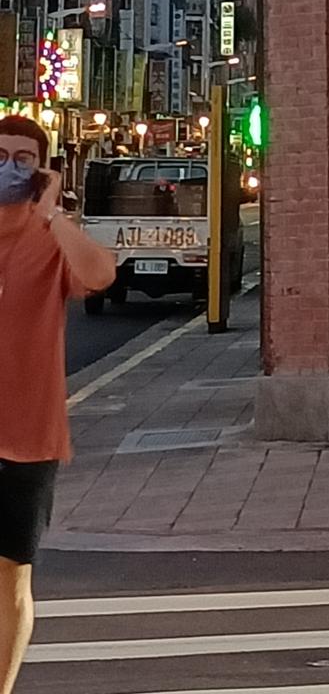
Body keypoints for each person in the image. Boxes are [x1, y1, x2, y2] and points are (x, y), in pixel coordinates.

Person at [0, 114, 117, 694]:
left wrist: (52, 213)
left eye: (22, 160)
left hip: (28, 435)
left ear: (42, 169)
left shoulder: (49, 237)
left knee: (11, 577)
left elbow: (100, 274)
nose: (9, 168)